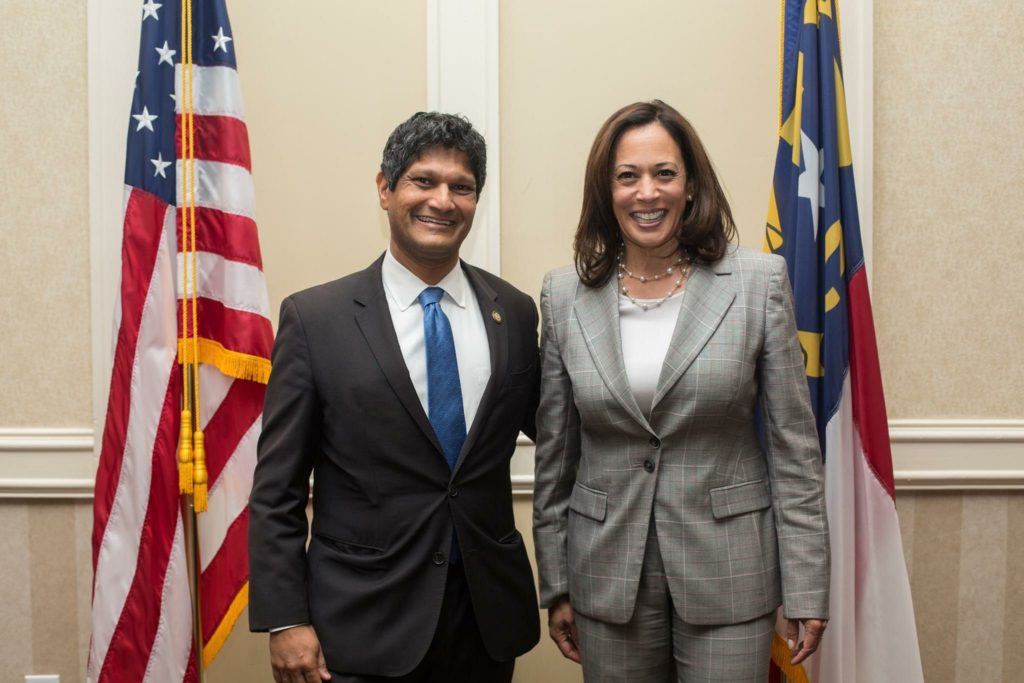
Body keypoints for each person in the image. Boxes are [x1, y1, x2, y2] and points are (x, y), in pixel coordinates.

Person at [532, 100, 830, 682]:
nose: (648, 193)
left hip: (729, 569)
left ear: (690, 185)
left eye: (664, 173)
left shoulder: (757, 282)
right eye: (628, 176)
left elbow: (796, 450)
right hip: (606, 572)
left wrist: (807, 585)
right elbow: (555, 457)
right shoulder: (563, 296)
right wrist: (556, 581)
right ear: (606, 190)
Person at [249, 112, 540, 683]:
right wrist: (285, 619)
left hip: (484, 620)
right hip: (361, 621)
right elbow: (277, 488)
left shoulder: (515, 312)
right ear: (385, 189)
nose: (443, 200)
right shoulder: (316, 320)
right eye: (423, 181)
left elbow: (564, 439)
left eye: (462, 187)